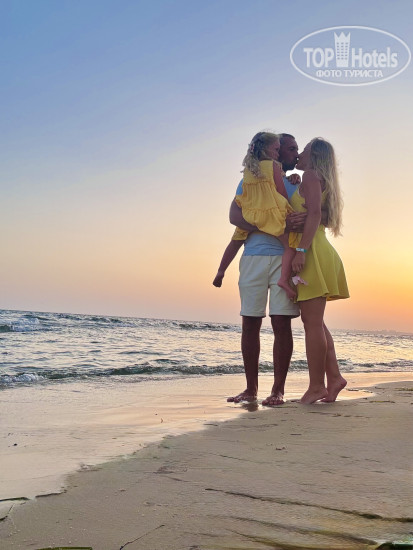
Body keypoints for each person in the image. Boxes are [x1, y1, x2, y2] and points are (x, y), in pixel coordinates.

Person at [220, 133, 304, 406]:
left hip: (283, 258)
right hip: (253, 257)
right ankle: (251, 389)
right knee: (250, 323)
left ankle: (278, 391)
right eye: (288, 149)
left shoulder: (296, 185)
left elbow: (303, 220)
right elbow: (234, 216)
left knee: (281, 323)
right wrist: (270, 225)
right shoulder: (249, 179)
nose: (293, 153)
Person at [291, 138, 349, 404]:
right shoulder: (312, 179)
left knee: (312, 322)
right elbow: (314, 212)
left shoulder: (311, 176)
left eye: (304, 150)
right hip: (318, 248)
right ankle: (334, 378)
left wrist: (301, 250)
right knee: (315, 321)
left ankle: (316, 386)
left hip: (312, 250)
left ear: (314, 155)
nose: (299, 154)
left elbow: (314, 214)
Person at [213, 132, 301, 300]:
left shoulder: (251, 173)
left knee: (235, 241)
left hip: (259, 228)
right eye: (291, 149)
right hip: (256, 254)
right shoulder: (270, 171)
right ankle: (283, 280)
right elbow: (234, 216)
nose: (297, 154)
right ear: (277, 151)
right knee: (290, 246)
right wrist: (274, 223)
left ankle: (221, 270)